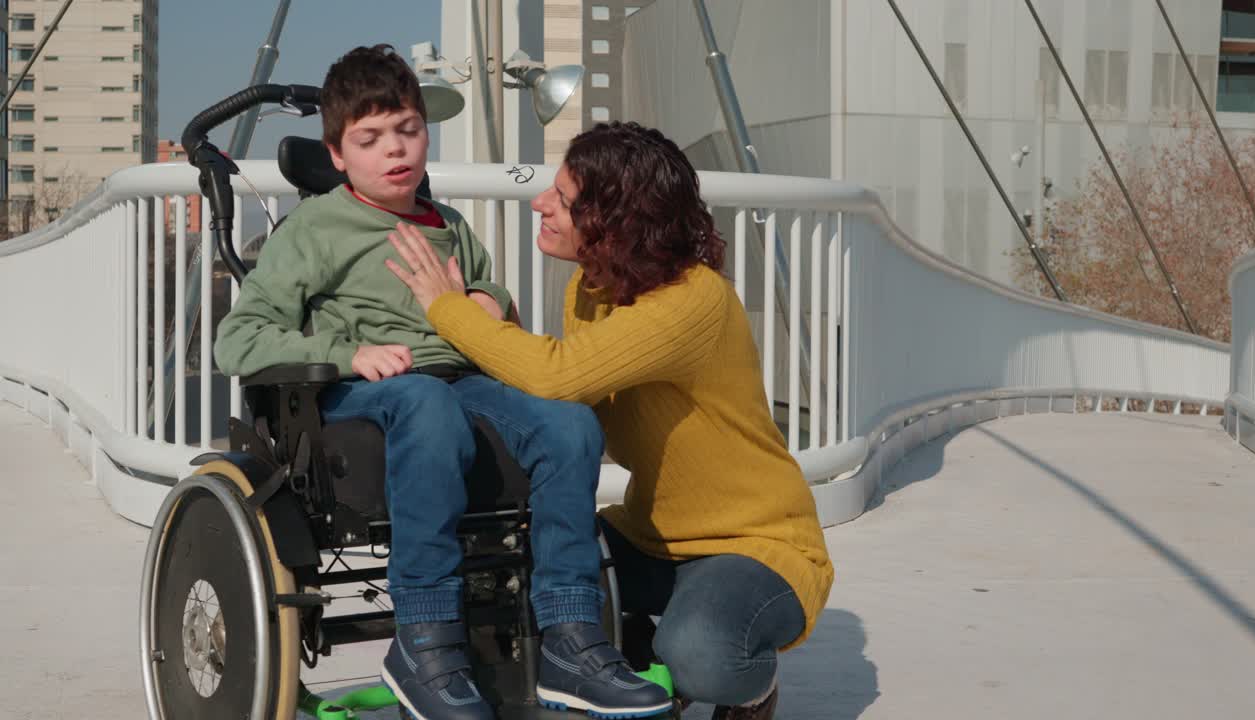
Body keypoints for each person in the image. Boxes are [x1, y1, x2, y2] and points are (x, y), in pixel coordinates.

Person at [214, 47, 671, 720]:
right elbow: (239, 338)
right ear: (338, 155)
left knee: (569, 420)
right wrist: (348, 352)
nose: (394, 150)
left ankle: (572, 637)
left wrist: (489, 303)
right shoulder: (314, 229)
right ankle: (424, 639)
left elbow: (492, 306)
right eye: (369, 140)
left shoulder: (450, 226)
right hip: (365, 398)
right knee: (427, 403)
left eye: (407, 130)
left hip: (460, 385)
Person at [386, 121, 835, 720]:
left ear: (615, 225)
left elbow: (559, 375)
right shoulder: (592, 288)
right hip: (650, 538)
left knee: (701, 653)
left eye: (563, 200)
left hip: (755, 545)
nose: (541, 203)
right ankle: (637, 660)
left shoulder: (691, 301)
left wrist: (447, 309)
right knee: (509, 581)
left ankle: (749, 682)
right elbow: (575, 400)